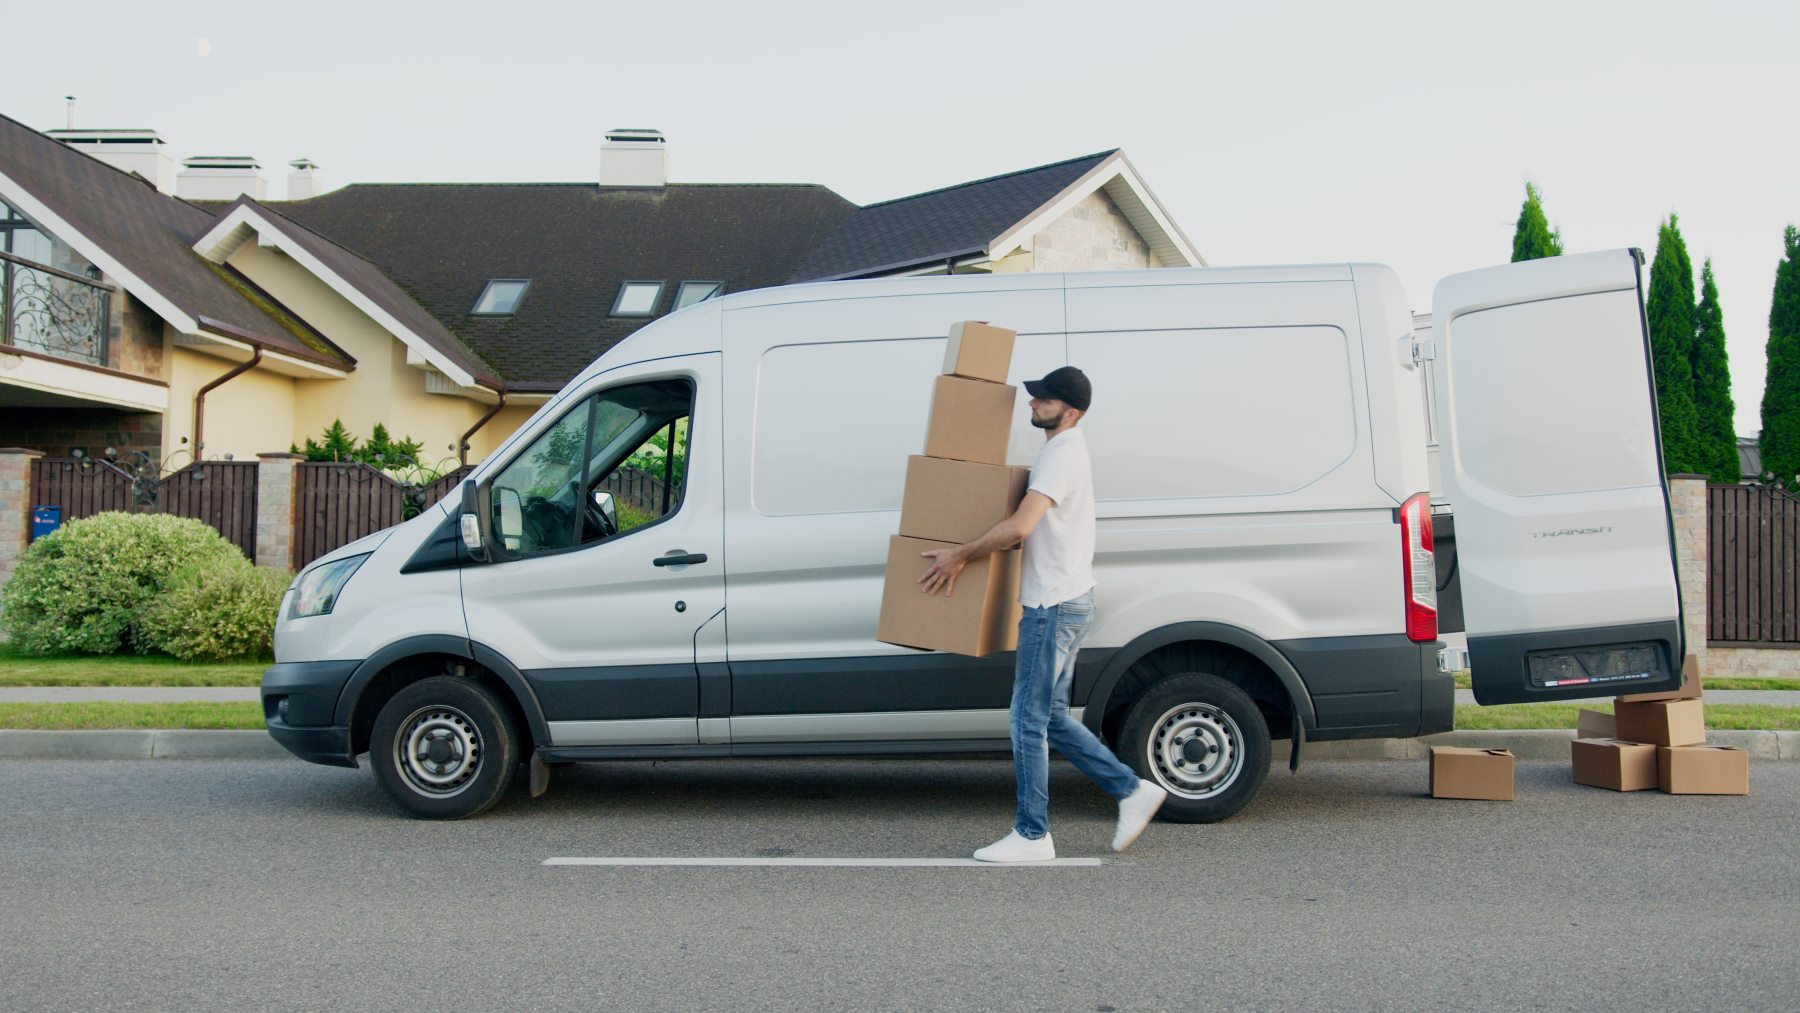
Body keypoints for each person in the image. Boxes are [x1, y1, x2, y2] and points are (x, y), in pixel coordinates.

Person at [917, 366, 1166, 862]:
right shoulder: (1063, 450)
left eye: (1043, 400)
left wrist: (959, 554)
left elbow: (1019, 528)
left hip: (1052, 606)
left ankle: (1033, 834)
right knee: (1048, 715)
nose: (1032, 404)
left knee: (1026, 720)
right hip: (1069, 598)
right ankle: (1131, 789)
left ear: (1069, 411)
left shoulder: (1062, 453)